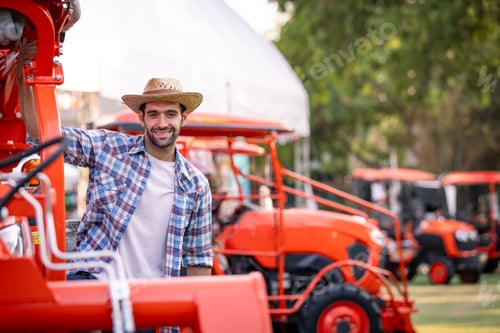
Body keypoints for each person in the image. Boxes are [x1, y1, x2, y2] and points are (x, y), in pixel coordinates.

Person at [16, 45, 213, 284]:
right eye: (153, 114)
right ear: (141, 118)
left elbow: (198, 259)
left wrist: (192, 316)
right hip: (95, 283)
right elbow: (43, 136)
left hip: (153, 300)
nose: (162, 123)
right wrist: (23, 72)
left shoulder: (195, 185)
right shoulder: (108, 148)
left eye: (170, 114)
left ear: (184, 118)